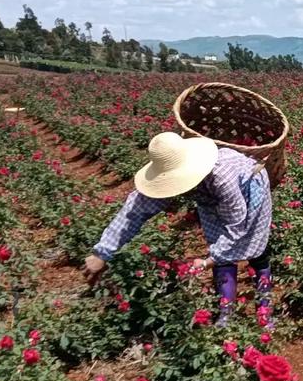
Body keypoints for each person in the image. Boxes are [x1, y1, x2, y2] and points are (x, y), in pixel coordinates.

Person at [82, 131, 273, 327]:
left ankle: (264, 313)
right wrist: (102, 252)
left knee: (256, 248)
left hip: (251, 187)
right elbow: (134, 211)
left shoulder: (221, 176)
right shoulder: (169, 169)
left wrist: (208, 262)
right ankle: (225, 315)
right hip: (211, 198)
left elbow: (236, 224)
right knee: (219, 246)